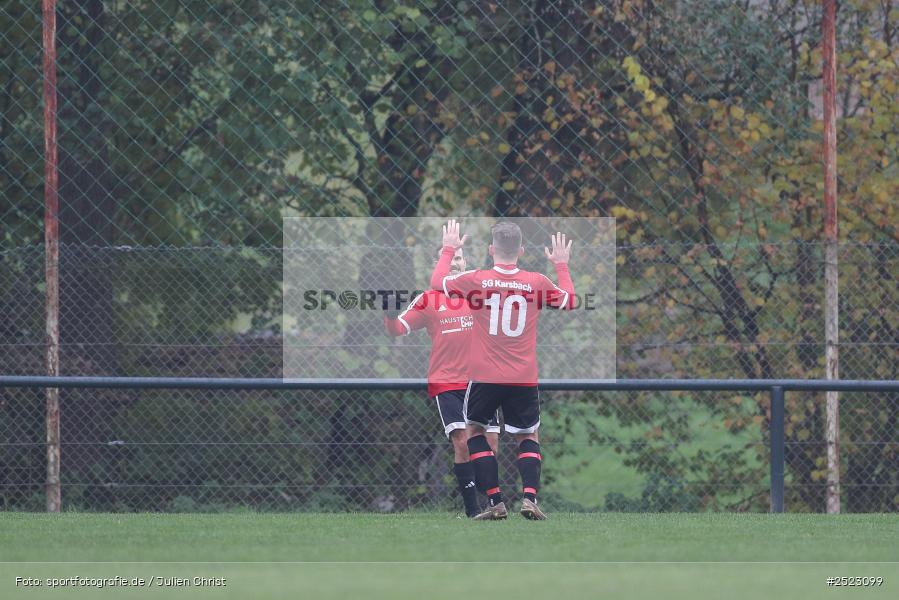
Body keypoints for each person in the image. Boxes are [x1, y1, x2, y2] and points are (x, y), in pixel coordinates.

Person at [430, 220, 574, 520]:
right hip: (523, 376)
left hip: (484, 375)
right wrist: (561, 265)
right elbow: (569, 302)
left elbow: (437, 282)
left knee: (475, 431)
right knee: (528, 435)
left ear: (491, 249)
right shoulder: (537, 282)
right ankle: (530, 499)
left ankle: (495, 503)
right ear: (521, 251)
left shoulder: (476, 279)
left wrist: (449, 249)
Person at [384, 245, 500, 518]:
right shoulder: (429, 299)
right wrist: (389, 315)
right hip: (447, 381)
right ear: (439, 265)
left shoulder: (479, 294)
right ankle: (473, 511)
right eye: (448, 259)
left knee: (490, 444)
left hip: (482, 381)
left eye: (459, 258)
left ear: (466, 262)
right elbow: (397, 330)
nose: (454, 263)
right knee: (462, 442)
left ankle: (494, 507)